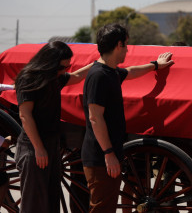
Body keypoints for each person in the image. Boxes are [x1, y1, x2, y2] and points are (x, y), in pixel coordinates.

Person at [81, 23, 174, 212]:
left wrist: (155, 65)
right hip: (100, 157)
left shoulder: (111, 71)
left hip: (107, 154)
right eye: (126, 45)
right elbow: (95, 118)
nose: (128, 50)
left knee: (106, 206)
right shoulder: (99, 75)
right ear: (118, 45)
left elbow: (131, 72)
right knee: (102, 208)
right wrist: (108, 154)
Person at [14, 41, 94, 213]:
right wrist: (39, 148)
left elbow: (77, 76)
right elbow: (25, 115)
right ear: (49, 63)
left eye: (67, 67)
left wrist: (97, 64)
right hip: (33, 147)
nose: (64, 71)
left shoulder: (54, 77)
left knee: (51, 201)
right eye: (61, 67)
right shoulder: (28, 78)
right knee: (33, 205)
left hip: (51, 144)